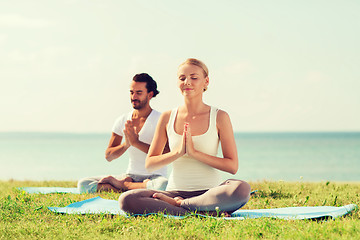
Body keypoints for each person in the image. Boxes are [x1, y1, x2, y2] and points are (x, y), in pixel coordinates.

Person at [119, 59, 251, 216]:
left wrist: (195, 153)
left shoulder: (220, 116)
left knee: (242, 189)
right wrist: (178, 152)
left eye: (194, 78)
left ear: (206, 82)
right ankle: (202, 212)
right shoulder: (168, 117)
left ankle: (182, 206)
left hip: (211, 194)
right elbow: (150, 164)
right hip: (174, 192)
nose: (187, 82)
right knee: (126, 200)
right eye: (182, 78)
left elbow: (232, 166)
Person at [77, 73, 168, 193]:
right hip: (130, 175)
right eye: (131, 92)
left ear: (150, 94)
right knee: (83, 184)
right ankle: (129, 186)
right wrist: (126, 144)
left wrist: (136, 143)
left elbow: (167, 152)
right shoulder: (122, 120)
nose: (134, 97)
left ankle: (122, 186)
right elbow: (109, 156)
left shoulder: (161, 119)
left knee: (163, 186)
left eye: (139, 93)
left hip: (154, 177)